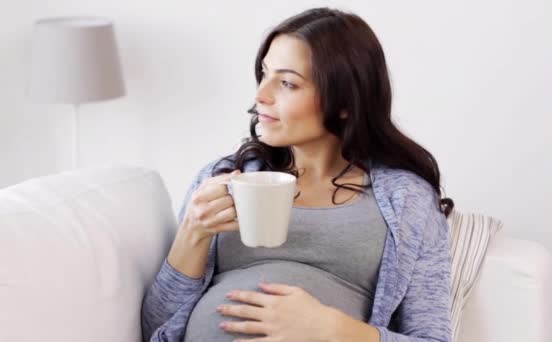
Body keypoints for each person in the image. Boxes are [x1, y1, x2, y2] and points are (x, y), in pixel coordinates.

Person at [141, 7, 454, 342]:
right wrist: (193, 232)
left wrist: (335, 330)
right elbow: (154, 329)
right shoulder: (222, 178)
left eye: (288, 83)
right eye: (264, 74)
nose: (261, 95)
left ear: (345, 102)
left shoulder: (407, 201)